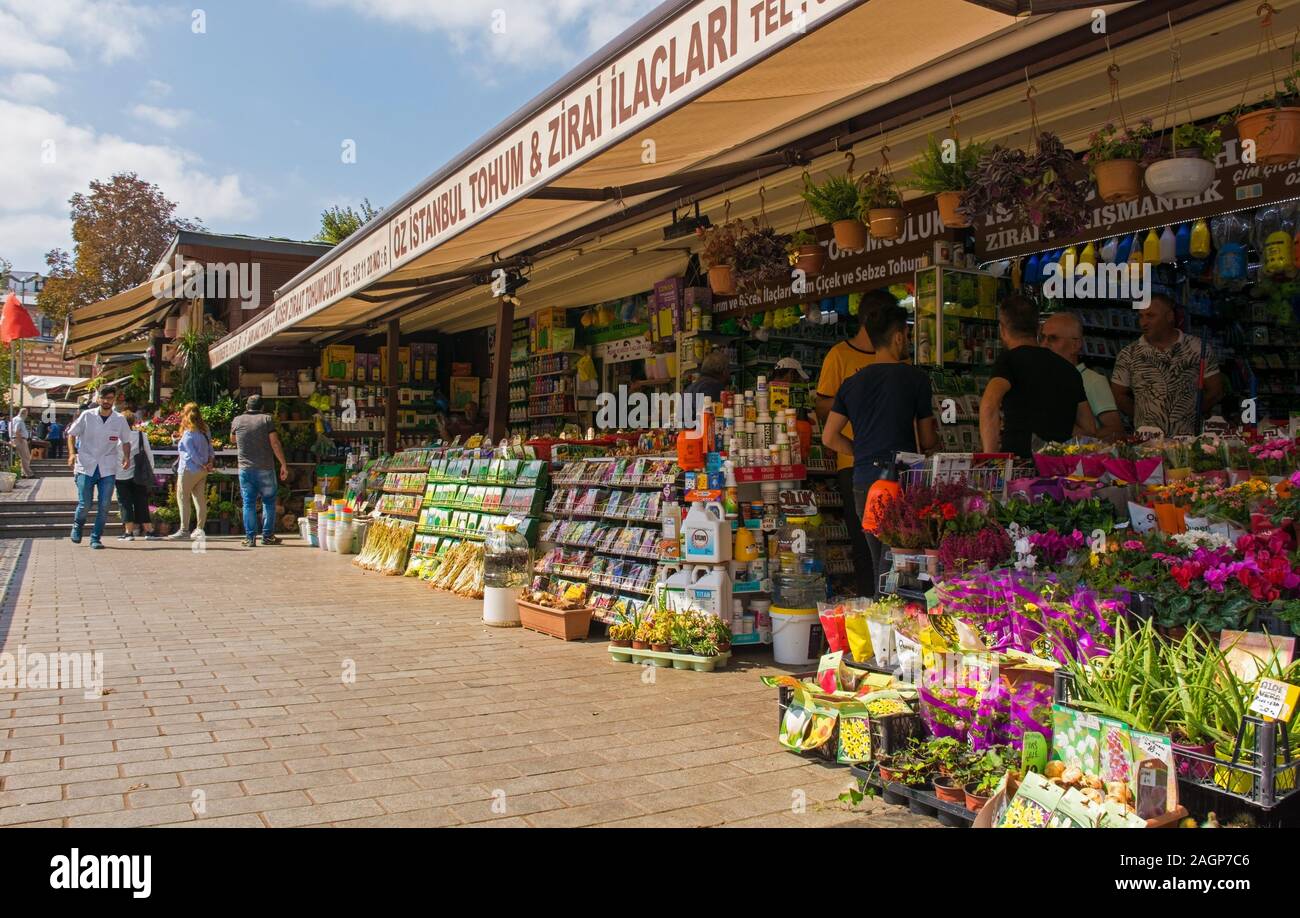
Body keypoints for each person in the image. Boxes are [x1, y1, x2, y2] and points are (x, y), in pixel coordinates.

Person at [822, 302, 940, 592]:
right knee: (909, 562)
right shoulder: (915, 379)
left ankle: (881, 628)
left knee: (879, 563)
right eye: (907, 336)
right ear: (899, 337)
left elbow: (829, 437)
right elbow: (926, 440)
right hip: (903, 480)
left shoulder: (851, 383)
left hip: (864, 481)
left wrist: (860, 451)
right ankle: (906, 627)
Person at [815, 288, 895, 597]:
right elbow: (822, 407)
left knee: (893, 546)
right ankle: (869, 607)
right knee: (865, 545)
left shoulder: (895, 358)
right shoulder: (839, 355)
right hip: (855, 466)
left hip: (893, 465)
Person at [980, 295, 1098, 457]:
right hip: (1058, 465)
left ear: (1002, 329)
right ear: (1037, 329)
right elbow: (1089, 429)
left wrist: (990, 459)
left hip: (1019, 463)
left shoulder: (1009, 360)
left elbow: (989, 405)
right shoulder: (1068, 369)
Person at [1110, 293, 1224, 437]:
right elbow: (1118, 394)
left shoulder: (1198, 348)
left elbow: (1215, 391)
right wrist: (1143, 416)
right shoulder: (1128, 354)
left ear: (1169, 316)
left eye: (1150, 316)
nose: (1144, 322)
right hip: (1146, 444)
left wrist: (1189, 413)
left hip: (1189, 443)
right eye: (1141, 316)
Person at [1040, 312, 1125, 442]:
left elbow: (1116, 431)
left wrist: (1076, 438)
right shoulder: (1044, 378)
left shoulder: (1093, 381)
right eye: (1042, 337)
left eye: (1053, 338)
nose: (1044, 344)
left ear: (1076, 345)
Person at [67, 386, 132, 549]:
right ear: (98, 399)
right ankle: (78, 525)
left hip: (107, 467)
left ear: (114, 399)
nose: (106, 401)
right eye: (104, 398)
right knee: (85, 504)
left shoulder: (119, 419)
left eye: (110, 398)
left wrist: (126, 457)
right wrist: (72, 453)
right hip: (86, 465)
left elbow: (126, 441)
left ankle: (95, 537)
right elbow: (71, 434)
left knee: (104, 505)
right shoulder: (87, 415)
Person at [231, 395, 288, 548]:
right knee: (269, 502)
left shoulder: (237, 420)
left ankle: (250, 538)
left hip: (245, 469)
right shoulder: (266, 419)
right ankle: (267, 536)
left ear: (246, 407)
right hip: (265, 468)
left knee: (248, 503)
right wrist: (283, 464)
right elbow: (275, 443)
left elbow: (232, 439)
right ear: (262, 407)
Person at [170, 402, 215, 541]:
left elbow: (191, 453)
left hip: (189, 469)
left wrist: (201, 464)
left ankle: (184, 530)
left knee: (183, 499)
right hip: (202, 471)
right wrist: (209, 463)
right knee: (199, 499)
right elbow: (210, 448)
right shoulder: (205, 430)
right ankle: (200, 529)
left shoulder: (189, 433)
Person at [114, 411, 159, 542]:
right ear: (133, 422)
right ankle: (149, 530)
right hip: (139, 474)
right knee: (141, 501)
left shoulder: (115, 437)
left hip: (120, 473)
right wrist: (151, 471)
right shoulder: (141, 435)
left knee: (124, 502)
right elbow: (149, 455)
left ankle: (129, 532)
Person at [9, 408, 32, 477]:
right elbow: (16, 431)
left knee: (23, 457)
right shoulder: (19, 420)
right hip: (20, 439)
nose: (26, 416)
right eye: (26, 414)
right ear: (24, 413)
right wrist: (21, 440)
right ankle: (28, 474)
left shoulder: (13, 419)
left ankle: (24, 473)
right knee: (26, 457)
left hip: (15, 439)